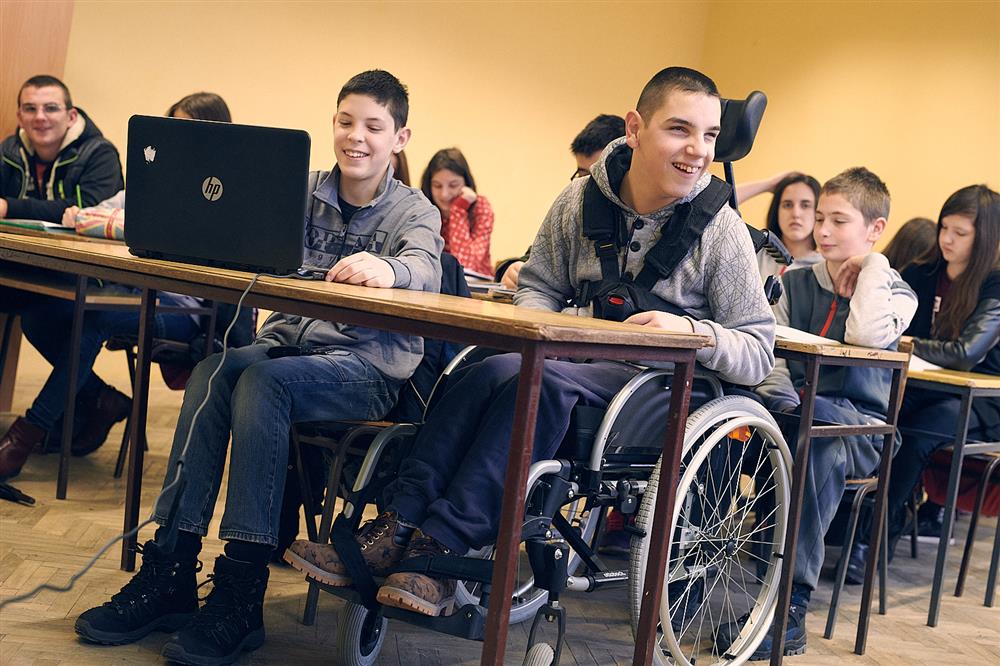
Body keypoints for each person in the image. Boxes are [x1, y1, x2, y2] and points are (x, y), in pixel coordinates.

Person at [284, 66, 775, 620]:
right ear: (635, 129)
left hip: (654, 386)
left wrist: (690, 331)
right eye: (680, 130)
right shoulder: (579, 201)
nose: (697, 150)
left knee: (536, 384)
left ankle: (441, 550)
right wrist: (545, 335)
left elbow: (758, 350)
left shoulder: (721, 228)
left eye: (709, 135)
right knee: (483, 370)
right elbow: (539, 286)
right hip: (570, 358)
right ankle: (397, 526)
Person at [73, 70, 443, 665]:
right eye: (345, 122)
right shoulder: (299, 188)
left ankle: (241, 590)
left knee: (261, 384)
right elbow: (238, 234)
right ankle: (170, 564)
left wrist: (389, 270)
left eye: (374, 126)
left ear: (400, 138)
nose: (356, 137)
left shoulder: (414, 212)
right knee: (214, 372)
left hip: (366, 372)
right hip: (290, 349)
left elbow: (424, 265)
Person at [727, 167, 917, 658]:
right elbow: (770, 354)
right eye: (820, 218)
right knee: (723, 414)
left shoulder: (895, 291)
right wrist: (786, 404)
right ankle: (689, 570)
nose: (823, 230)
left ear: (875, 230)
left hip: (862, 429)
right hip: (794, 413)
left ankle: (790, 605)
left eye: (839, 221)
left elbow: (867, 338)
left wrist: (873, 266)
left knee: (823, 440)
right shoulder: (795, 282)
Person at [0, 94, 236, 481]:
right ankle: (102, 399)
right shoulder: (161, 178)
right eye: (174, 127)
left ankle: (26, 434)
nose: (181, 138)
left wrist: (123, 223)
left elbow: (166, 234)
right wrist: (113, 220)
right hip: (139, 295)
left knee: (95, 319)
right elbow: (91, 215)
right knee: (40, 316)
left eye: (192, 128)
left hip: (191, 314)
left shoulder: (223, 190)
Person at [847, 184, 1000, 584]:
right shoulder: (922, 270)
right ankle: (844, 525)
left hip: (979, 399)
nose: (947, 240)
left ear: (985, 238)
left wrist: (910, 343)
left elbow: (966, 352)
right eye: (944, 228)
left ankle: (872, 540)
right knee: (870, 413)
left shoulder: (994, 283)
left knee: (914, 434)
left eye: (960, 233)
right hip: (923, 388)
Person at [495, 114, 625, 290]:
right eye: (582, 175)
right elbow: (537, 257)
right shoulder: (574, 207)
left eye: (597, 175)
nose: (588, 185)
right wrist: (511, 268)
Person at [0, 75, 123, 222]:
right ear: (20, 118)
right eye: (30, 109)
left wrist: (9, 207)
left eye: (51, 108)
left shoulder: (100, 154)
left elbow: (89, 211)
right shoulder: (8, 151)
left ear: (71, 117)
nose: (39, 117)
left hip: (78, 245)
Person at [421, 147, 494, 276]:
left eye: (453, 185)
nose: (444, 194)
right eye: (437, 186)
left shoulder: (480, 207)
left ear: (466, 183)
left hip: (475, 288)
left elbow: (466, 265)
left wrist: (458, 210)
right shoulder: (424, 209)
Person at [737, 172, 823, 278]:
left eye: (805, 205)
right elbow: (716, 205)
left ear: (818, 212)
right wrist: (768, 185)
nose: (795, 213)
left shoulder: (826, 267)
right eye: (787, 205)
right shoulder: (755, 254)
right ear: (777, 210)